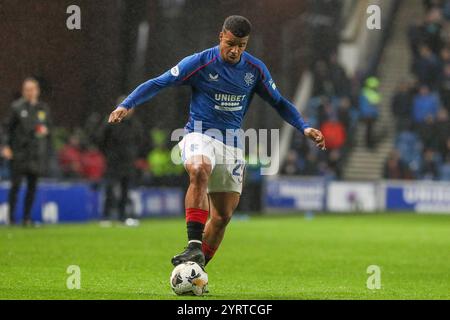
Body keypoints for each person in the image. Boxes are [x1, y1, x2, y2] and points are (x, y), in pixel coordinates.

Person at [108, 16, 326, 268]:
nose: (235, 50)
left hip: (232, 145)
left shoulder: (254, 70)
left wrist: (304, 126)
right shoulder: (200, 62)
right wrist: (127, 104)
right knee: (199, 169)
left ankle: (195, 269)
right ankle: (193, 245)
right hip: (199, 134)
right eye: (231, 43)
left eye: (241, 45)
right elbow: (160, 82)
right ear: (221, 35)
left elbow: (279, 102)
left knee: (222, 217)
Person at [2, 78, 52, 226]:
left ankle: (26, 218)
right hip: (19, 153)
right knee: (15, 186)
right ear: (24, 91)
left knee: (32, 187)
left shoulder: (43, 109)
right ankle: (11, 218)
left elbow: (49, 130)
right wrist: (5, 146)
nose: (30, 92)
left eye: (32, 89)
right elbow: (6, 129)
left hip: (36, 154)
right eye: (27, 89)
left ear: (37, 90)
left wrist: (46, 133)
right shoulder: (16, 108)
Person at [98, 97, 144, 225]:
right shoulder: (111, 121)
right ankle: (106, 217)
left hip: (128, 162)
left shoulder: (135, 124)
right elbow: (101, 139)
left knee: (125, 190)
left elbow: (140, 142)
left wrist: (134, 155)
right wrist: (108, 154)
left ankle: (122, 217)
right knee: (110, 188)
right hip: (113, 161)